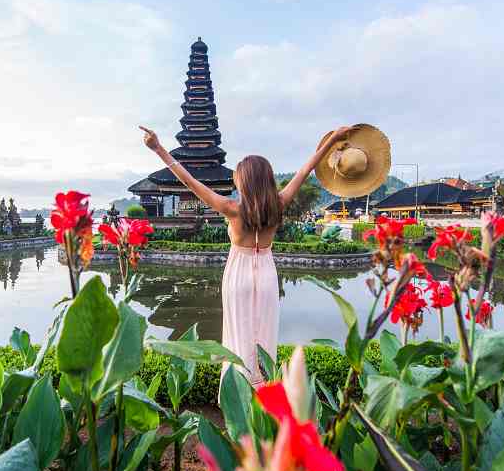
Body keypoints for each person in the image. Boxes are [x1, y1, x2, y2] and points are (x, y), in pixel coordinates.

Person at [140, 125, 350, 385]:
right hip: (266, 275)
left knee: (237, 336)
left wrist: (158, 149)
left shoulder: (231, 209)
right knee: (265, 337)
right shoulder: (279, 203)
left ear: (245, 181)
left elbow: (189, 183)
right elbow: (305, 171)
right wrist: (332, 141)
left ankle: (237, 394)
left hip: (238, 275)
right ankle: (264, 395)